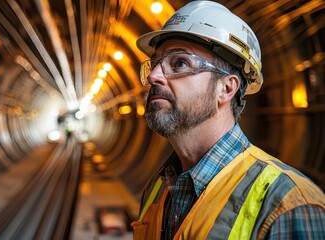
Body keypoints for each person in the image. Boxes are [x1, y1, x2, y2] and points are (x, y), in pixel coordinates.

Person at [131, 1, 325, 239]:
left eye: (180, 63)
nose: (153, 76)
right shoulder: (157, 189)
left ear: (226, 88)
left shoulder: (287, 205)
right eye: (155, 64)